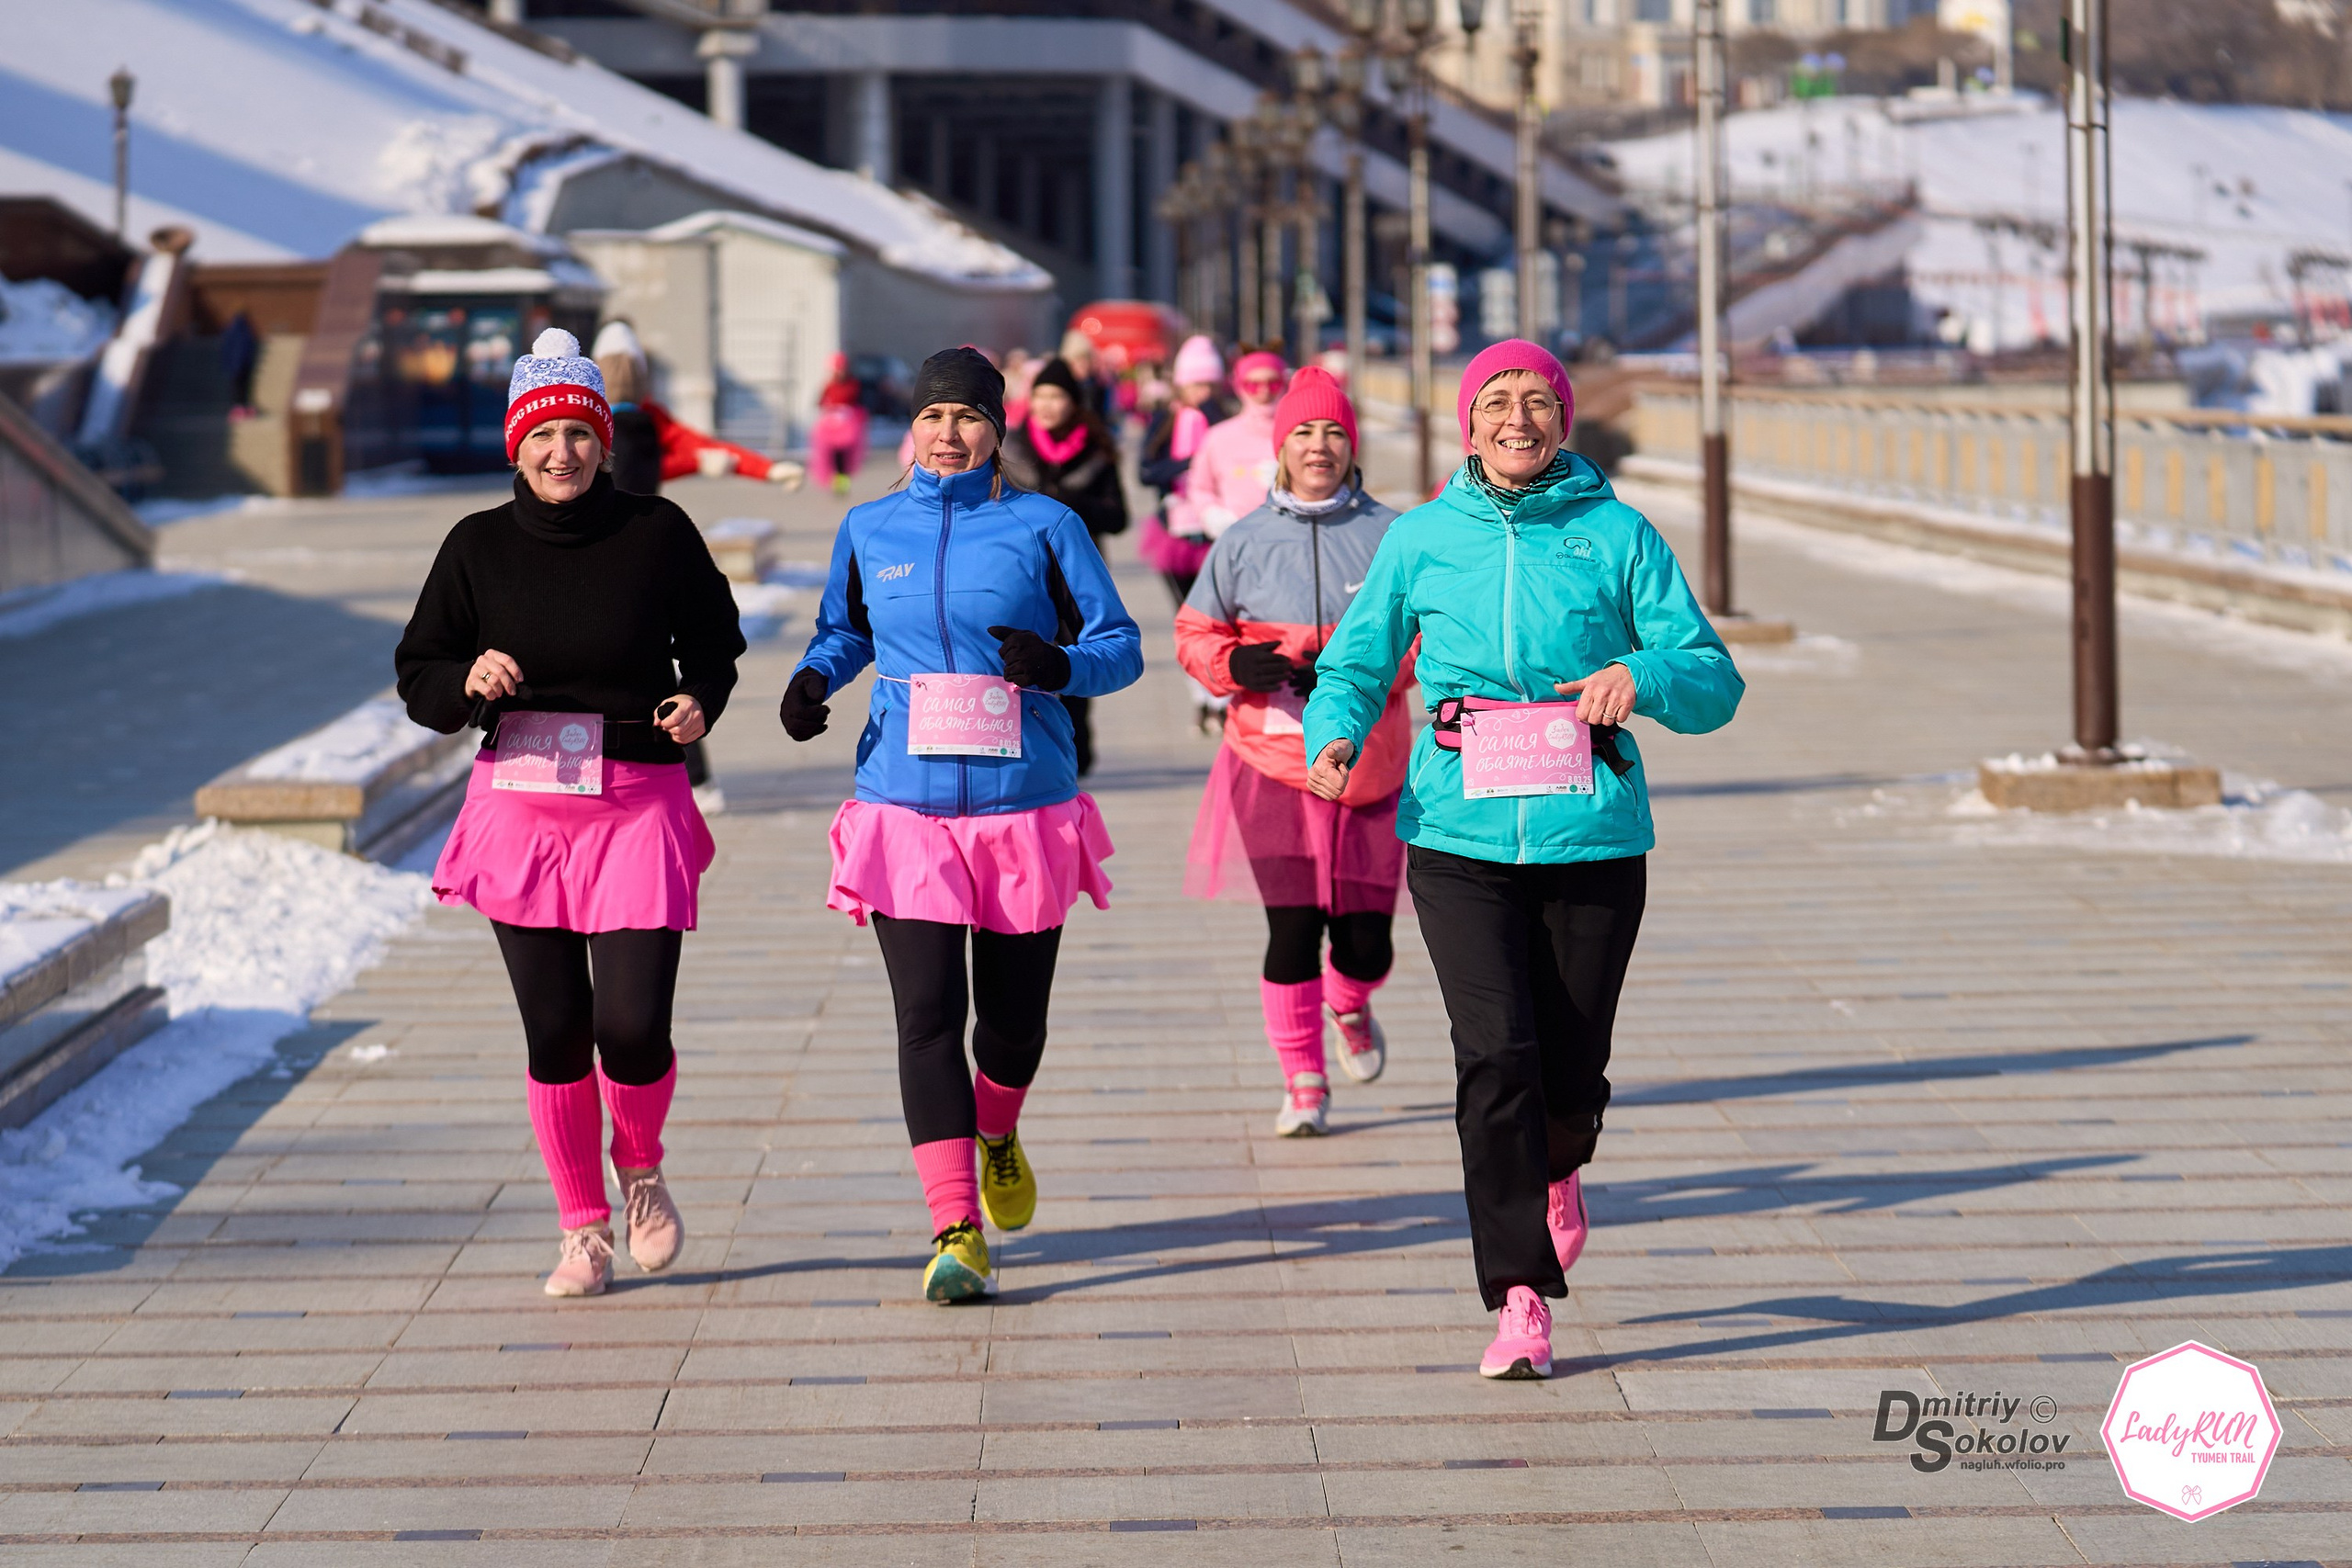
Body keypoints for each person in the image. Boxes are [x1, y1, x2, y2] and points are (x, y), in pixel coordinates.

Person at [1302, 340, 1742, 1380]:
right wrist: (1335, 731)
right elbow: (1357, 662)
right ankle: (1515, 1294)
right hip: (1458, 834)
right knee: (1493, 1054)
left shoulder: (1617, 534)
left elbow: (1712, 680)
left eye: (1536, 402)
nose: (1516, 419)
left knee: (1567, 1069)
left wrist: (1640, 675)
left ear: (1563, 417)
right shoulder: (1420, 539)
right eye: (1495, 402)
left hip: (1590, 832)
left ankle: (1559, 1166)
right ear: (1466, 423)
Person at [780, 346, 1143, 1303]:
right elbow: (845, 627)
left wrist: (1057, 666)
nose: (949, 433)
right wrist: (816, 677)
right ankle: (954, 1226)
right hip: (905, 804)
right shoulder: (867, 526)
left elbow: (1120, 647)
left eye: (969, 417)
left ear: (997, 430)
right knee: (927, 1017)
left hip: (1023, 802)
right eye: (934, 416)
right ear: (912, 430)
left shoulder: (1046, 525)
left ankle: (997, 1129)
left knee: (1012, 1029)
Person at [395, 329, 746, 1299]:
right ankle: (582, 1228)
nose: (562, 453)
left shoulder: (656, 532)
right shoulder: (475, 547)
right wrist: (465, 678)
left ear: (605, 439)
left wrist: (698, 699)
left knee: (630, 1026)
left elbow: (716, 642)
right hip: (523, 808)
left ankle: (639, 1166)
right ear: (516, 444)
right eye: (543, 435)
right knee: (555, 1030)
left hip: (636, 800)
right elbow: (417, 669)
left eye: (579, 434)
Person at [1175, 368, 1408, 1138]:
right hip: (1268, 762)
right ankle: (1302, 1077)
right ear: (1280, 447)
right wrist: (1234, 667)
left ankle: (1350, 999)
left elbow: (1431, 641)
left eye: (1335, 432)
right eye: (1304, 432)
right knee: (1292, 926)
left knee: (1365, 941)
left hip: (1366, 767)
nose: (1320, 446)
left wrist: (1353, 667)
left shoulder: (1394, 536)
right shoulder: (1242, 540)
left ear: (1353, 445)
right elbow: (1195, 633)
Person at [999, 355, 1129, 779]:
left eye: (1056, 397)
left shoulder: (1097, 449)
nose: (1047, 405)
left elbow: (1118, 517)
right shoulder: (1013, 447)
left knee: (1075, 655)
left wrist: (1068, 506)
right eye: (1040, 397)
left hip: (1078, 578)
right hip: (1027, 574)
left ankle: (1077, 745)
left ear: (1074, 402)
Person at [587, 321, 805, 491]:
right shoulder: (591, 416)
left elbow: (643, 467)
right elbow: (642, 467)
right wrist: (696, 462)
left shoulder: (605, 415)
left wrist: (767, 469)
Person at [1140, 336, 1231, 735]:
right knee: (1190, 621)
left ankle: (1223, 699)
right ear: (1180, 383)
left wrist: (1213, 417)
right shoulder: (1166, 418)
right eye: (1196, 384)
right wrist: (1187, 463)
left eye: (1210, 385)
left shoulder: (1224, 419)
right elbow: (1147, 471)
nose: (1203, 393)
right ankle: (1201, 700)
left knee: (1223, 621)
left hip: (1219, 534)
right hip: (1177, 533)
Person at [1182, 349, 1288, 541]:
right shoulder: (1218, 436)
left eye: (1273, 383)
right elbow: (1199, 486)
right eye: (1253, 385)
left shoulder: (1298, 434)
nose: (1264, 390)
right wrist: (1211, 513)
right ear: (1240, 387)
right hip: (1235, 542)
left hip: (1288, 540)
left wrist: (1291, 484)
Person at [811, 353, 870, 497]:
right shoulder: (829, 385)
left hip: (848, 423)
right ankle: (835, 479)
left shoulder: (853, 384)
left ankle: (843, 478)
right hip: (831, 424)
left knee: (844, 451)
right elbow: (819, 402)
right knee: (831, 452)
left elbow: (859, 401)